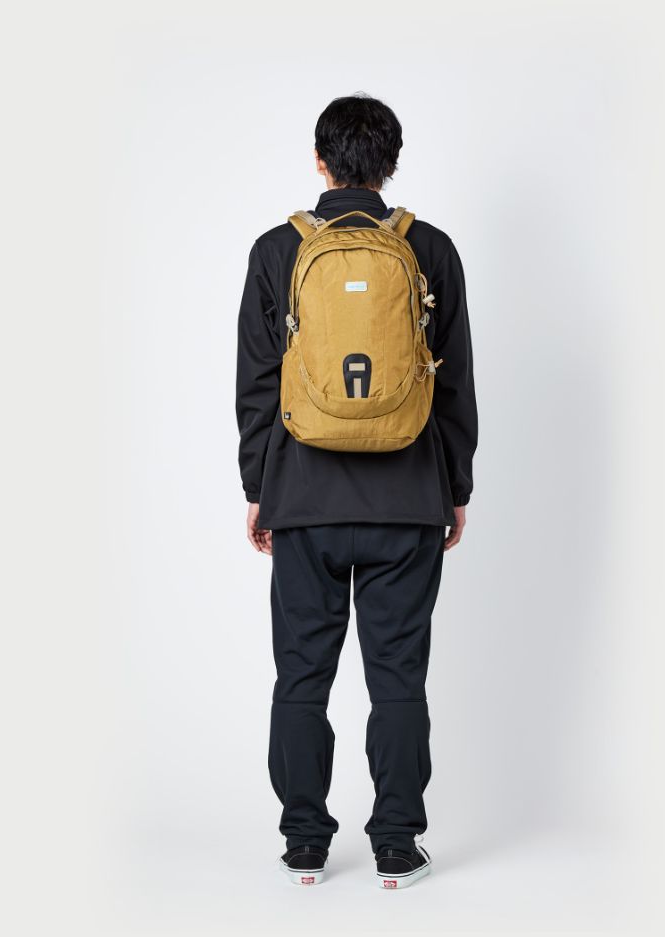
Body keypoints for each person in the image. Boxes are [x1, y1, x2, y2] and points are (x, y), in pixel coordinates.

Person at [235, 93, 478, 889]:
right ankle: (396, 847)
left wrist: (259, 488)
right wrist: (455, 486)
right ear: (392, 163)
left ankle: (305, 845)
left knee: (301, 676)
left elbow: (258, 385)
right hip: (408, 499)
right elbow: (454, 382)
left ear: (320, 161)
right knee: (397, 677)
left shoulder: (278, 250)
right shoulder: (429, 249)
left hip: (303, 500)